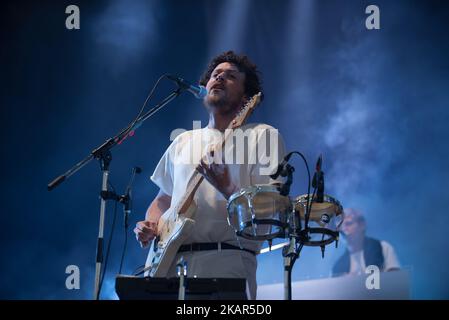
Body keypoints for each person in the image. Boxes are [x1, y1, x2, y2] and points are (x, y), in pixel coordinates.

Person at [134, 51, 286, 299]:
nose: (219, 78)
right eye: (216, 75)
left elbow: (268, 211)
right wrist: (150, 224)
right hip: (167, 267)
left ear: (247, 98)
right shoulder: (183, 140)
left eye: (230, 76)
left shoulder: (264, 136)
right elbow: (163, 199)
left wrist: (228, 189)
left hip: (226, 262)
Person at [332, 208, 401, 277]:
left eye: (348, 224)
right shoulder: (337, 266)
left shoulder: (383, 247)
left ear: (362, 225)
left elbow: (395, 280)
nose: (343, 230)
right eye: (339, 227)